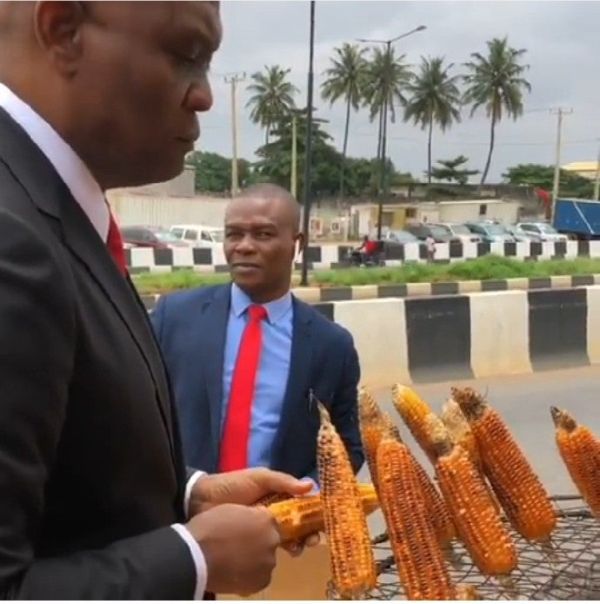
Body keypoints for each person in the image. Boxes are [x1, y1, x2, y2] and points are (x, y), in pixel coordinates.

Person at [0, 2, 313, 599]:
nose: (204, 97)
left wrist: (191, 492)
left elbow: (61, 474)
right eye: (186, 55)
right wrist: (192, 559)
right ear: (63, 29)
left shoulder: (54, 212)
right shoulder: (11, 237)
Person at [151, 184, 364, 481]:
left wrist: (303, 496)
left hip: (279, 521)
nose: (244, 246)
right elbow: (136, 418)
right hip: (186, 513)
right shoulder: (174, 318)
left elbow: (349, 446)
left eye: (263, 234)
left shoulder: (331, 345)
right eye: (234, 234)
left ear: (296, 243)